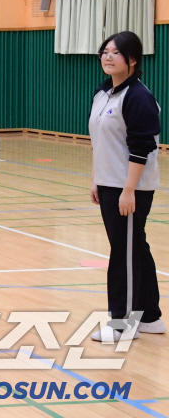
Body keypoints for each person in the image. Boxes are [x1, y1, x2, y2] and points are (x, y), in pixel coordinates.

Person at [88, 31, 164, 342]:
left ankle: (122, 322)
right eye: (105, 51)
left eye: (115, 53)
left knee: (124, 253)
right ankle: (150, 316)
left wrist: (128, 190)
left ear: (132, 60)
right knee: (135, 248)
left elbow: (141, 146)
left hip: (129, 189)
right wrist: (96, 178)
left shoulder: (139, 97)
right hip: (109, 185)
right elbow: (101, 142)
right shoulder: (104, 92)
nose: (108, 57)